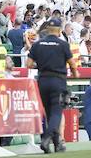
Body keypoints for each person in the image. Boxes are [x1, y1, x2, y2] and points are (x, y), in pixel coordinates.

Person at [27, 17, 78, 154]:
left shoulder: (38, 44)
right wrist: (75, 74)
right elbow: (72, 63)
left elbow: (28, 64)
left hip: (43, 80)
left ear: (47, 30)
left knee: (49, 112)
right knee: (57, 111)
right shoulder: (62, 44)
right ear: (60, 30)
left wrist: (42, 64)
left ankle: (57, 144)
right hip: (58, 80)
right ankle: (46, 137)